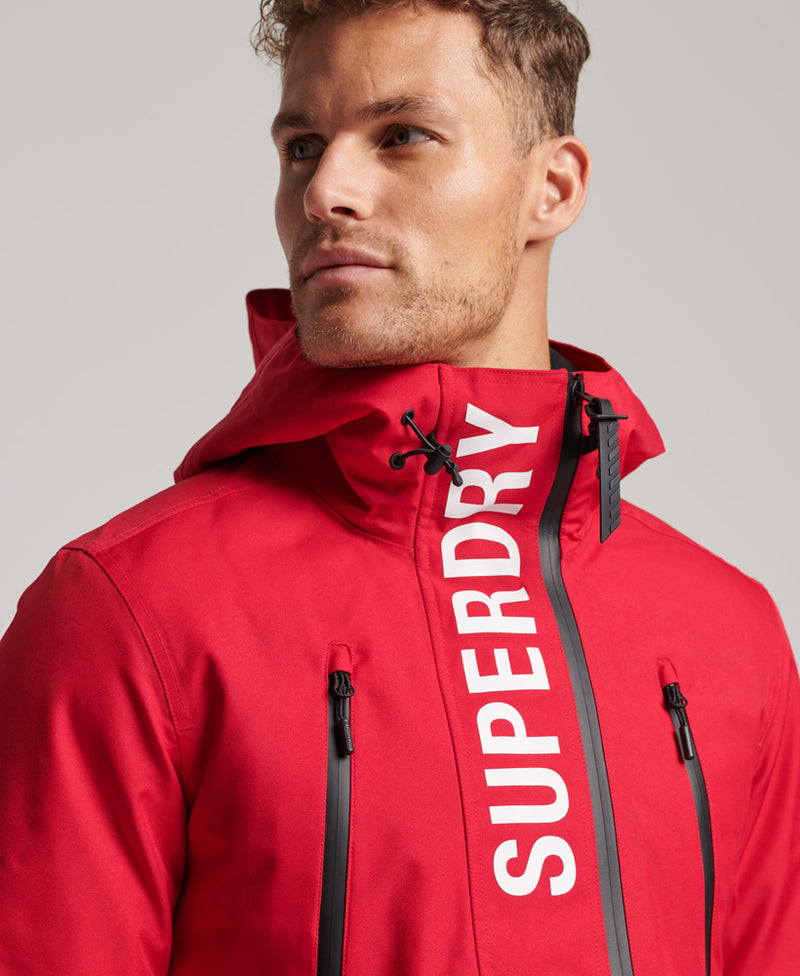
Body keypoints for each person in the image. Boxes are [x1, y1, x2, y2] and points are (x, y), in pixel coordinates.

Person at [0, 0, 797, 973]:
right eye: (302, 147)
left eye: (402, 135)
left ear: (551, 187)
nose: (324, 190)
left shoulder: (729, 635)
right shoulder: (129, 613)